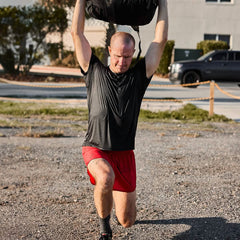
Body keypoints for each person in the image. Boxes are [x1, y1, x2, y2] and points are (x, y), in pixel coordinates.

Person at [71, 0, 168, 239]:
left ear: (133, 53)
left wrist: (163, 2)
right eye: (118, 56)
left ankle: (114, 208)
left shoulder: (139, 76)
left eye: (127, 56)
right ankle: (105, 229)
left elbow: (160, 40)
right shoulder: (92, 69)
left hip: (124, 153)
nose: (122, 61)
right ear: (109, 52)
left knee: (127, 221)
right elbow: (76, 32)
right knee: (104, 177)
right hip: (95, 147)